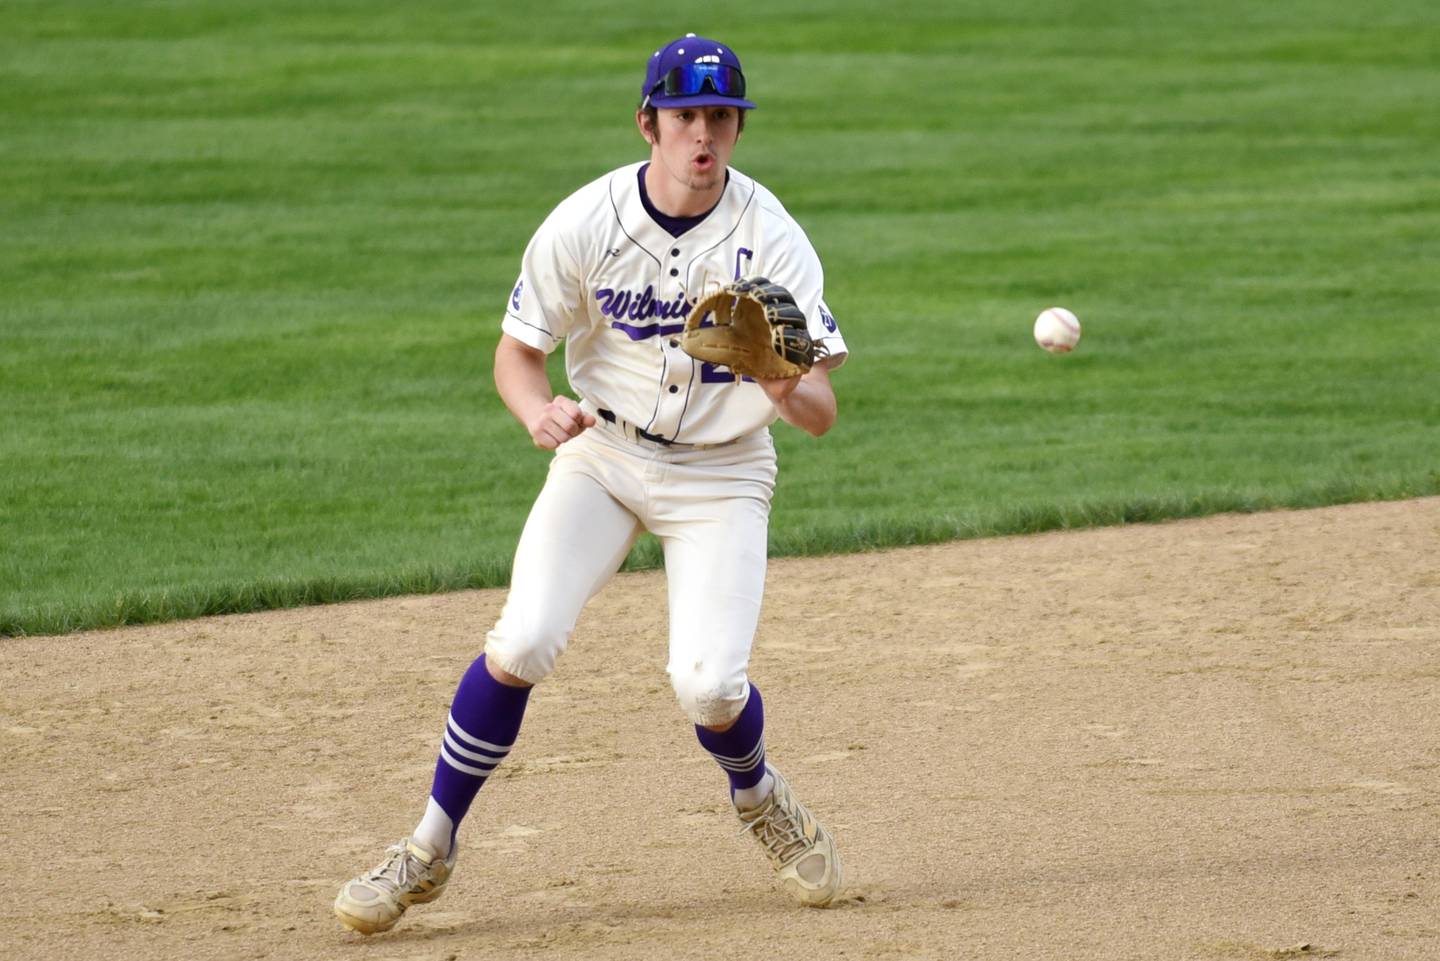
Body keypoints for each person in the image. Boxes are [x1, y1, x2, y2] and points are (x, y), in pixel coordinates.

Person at [333, 32, 849, 935]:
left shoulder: (772, 236)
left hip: (723, 475)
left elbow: (821, 412)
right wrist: (536, 412)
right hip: (604, 456)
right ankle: (427, 845)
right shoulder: (588, 221)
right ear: (647, 121)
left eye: (722, 118)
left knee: (708, 687)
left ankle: (759, 793)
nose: (705, 135)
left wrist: (778, 374)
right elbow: (517, 353)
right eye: (687, 116)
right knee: (524, 637)